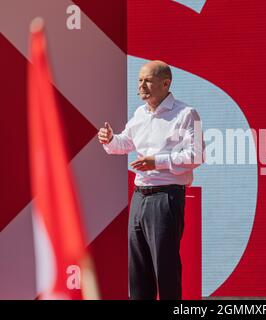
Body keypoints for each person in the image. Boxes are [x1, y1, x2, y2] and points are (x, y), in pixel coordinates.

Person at [98, 60, 205, 300]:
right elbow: (124, 144)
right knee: (139, 270)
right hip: (140, 196)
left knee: (165, 270)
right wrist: (109, 139)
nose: (141, 85)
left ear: (165, 83)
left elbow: (197, 155)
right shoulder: (140, 113)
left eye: (148, 80)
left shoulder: (187, 114)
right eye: (139, 80)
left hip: (166, 197)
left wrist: (156, 161)